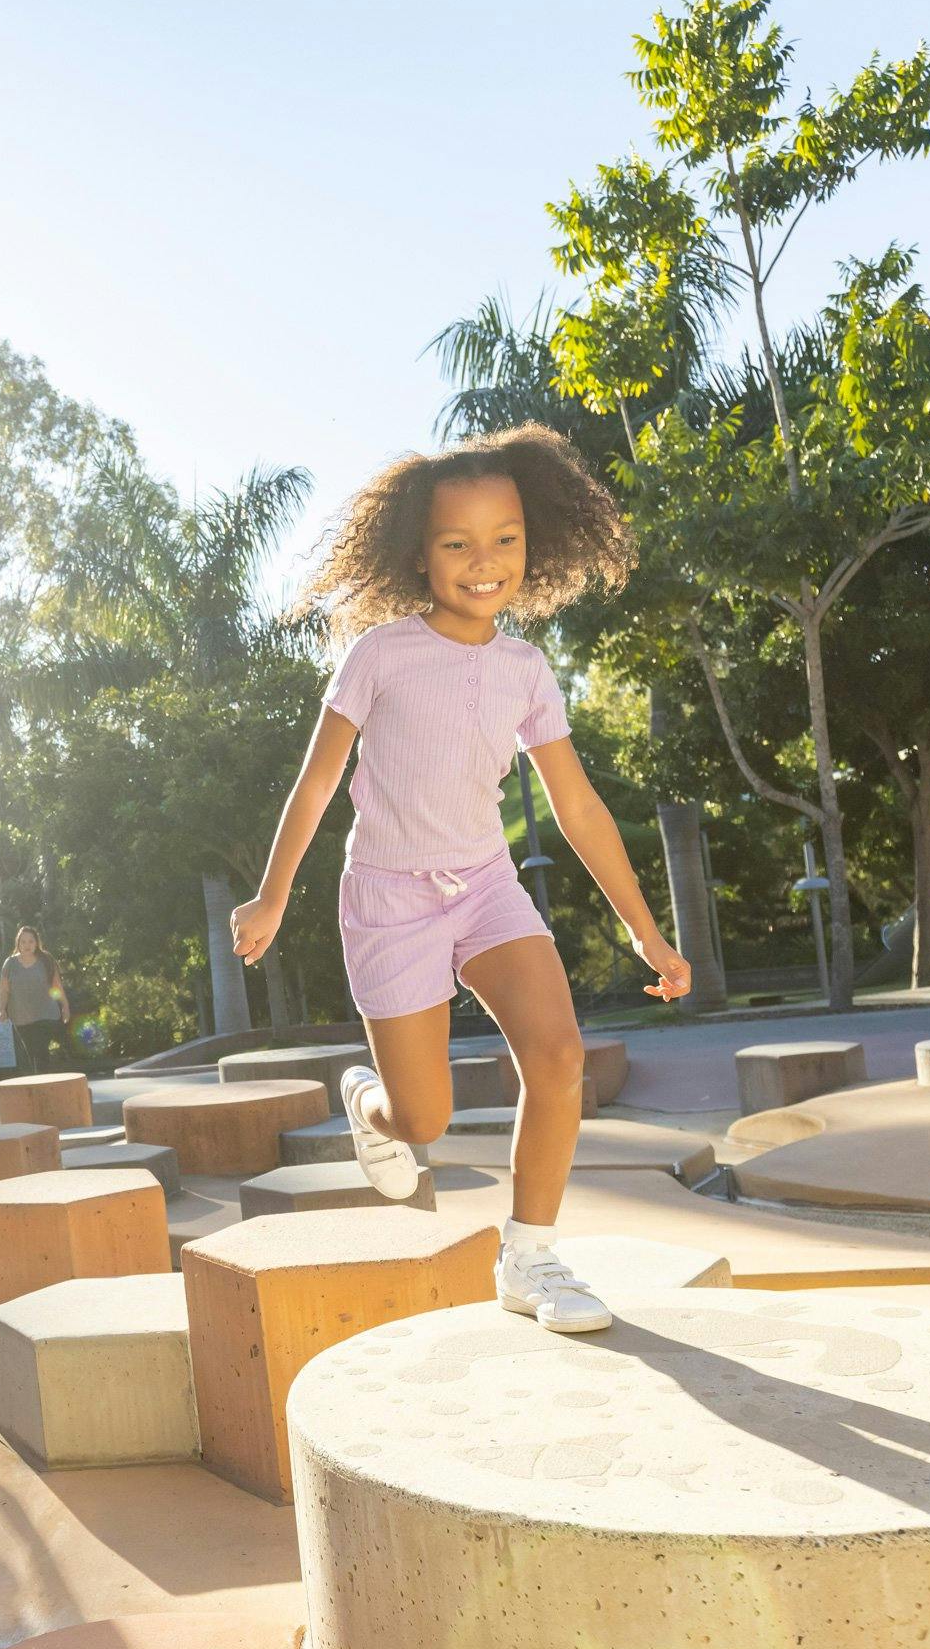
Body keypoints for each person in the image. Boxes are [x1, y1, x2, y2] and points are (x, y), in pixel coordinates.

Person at [231, 427, 691, 1333]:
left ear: (535, 541)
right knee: (423, 1121)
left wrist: (644, 927)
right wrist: (273, 892)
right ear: (418, 553)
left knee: (559, 1057)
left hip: (483, 884)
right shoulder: (379, 653)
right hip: (390, 896)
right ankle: (368, 1099)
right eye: (457, 544)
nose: (485, 563)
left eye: (505, 539)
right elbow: (318, 780)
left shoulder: (525, 670)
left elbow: (578, 805)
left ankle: (528, 1259)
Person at [0, 926, 68, 1074]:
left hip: (46, 1013)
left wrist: (65, 1006)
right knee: (31, 1053)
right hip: (21, 1017)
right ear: (18, 944)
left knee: (40, 1050)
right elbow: (4, 989)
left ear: (36, 943)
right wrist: (1, 1010)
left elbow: (56, 986)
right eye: (23, 942)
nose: (27, 945)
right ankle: (39, 1084)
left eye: (30, 941)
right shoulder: (10, 964)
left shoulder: (46, 960)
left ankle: (43, 1085)